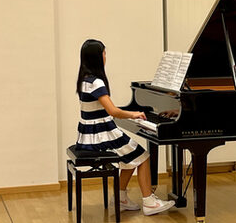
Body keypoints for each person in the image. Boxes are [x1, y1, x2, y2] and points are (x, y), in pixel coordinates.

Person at [75, 39, 175, 215]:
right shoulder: (96, 82)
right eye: (104, 53)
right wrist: (134, 114)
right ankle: (150, 203)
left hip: (89, 133)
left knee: (130, 157)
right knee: (143, 157)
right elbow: (113, 111)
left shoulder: (84, 80)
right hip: (101, 134)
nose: (106, 56)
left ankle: (121, 198)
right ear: (98, 58)